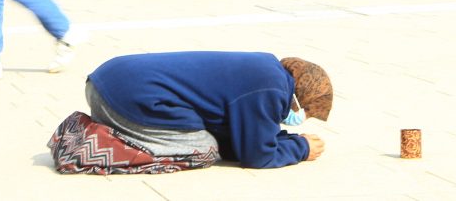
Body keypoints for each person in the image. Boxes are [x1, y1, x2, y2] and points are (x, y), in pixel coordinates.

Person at [70, 52, 331, 170]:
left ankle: (115, 129)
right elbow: (257, 156)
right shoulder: (269, 91)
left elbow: (240, 133)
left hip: (106, 80)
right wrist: (301, 149)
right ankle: (93, 144)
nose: (301, 119)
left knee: (208, 133)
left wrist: (283, 140)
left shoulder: (266, 69)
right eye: (307, 112)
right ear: (298, 97)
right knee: (205, 149)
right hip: (121, 100)